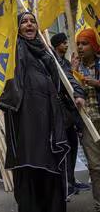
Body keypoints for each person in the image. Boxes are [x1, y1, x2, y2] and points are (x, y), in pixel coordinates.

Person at [0, 12, 70, 212]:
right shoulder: (12, 49)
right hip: (24, 119)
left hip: (49, 118)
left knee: (50, 162)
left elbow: (66, 79)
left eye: (32, 21)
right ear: (17, 28)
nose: (29, 24)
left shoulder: (48, 52)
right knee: (29, 163)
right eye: (24, 22)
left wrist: (78, 93)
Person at [51, 32, 90, 197]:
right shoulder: (51, 60)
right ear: (56, 44)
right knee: (63, 148)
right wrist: (72, 70)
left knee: (73, 145)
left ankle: (72, 180)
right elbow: (61, 83)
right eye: (63, 43)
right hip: (59, 111)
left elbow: (73, 83)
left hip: (70, 112)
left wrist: (73, 70)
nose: (66, 45)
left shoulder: (66, 62)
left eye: (67, 42)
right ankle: (64, 184)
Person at [76, 28, 100, 211]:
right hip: (87, 122)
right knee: (95, 165)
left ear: (93, 45)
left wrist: (97, 84)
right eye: (78, 44)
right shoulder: (74, 68)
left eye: (84, 43)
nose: (80, 47)